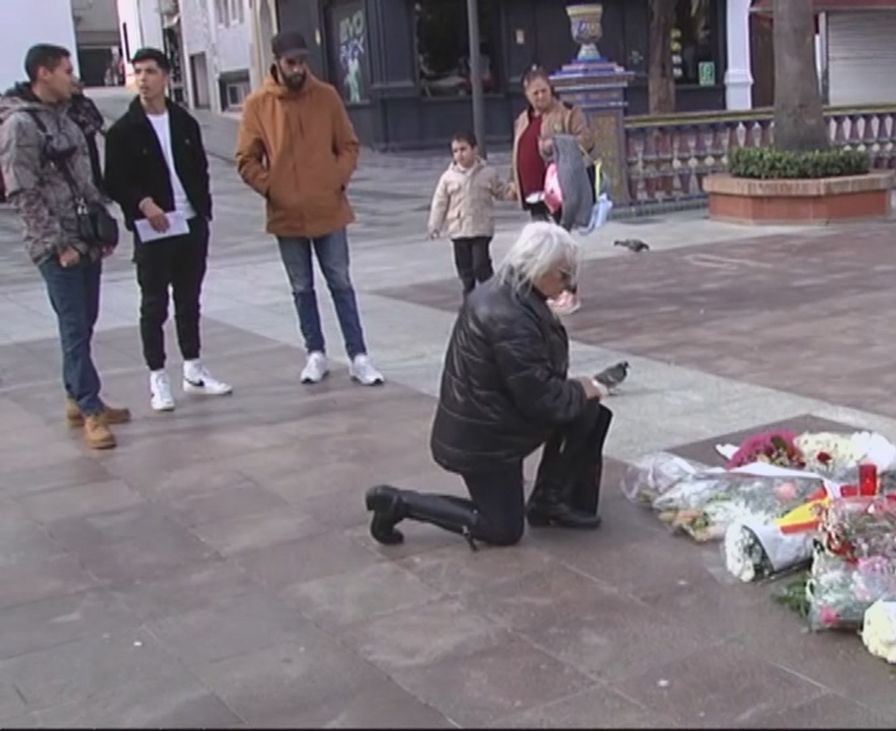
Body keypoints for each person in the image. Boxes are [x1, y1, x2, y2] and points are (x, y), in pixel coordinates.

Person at [365, 223, 614, 549]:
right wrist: (581, 389)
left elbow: (535, 383)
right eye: (564, 274)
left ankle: (549, 501)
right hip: (482, 440)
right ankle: (399, 503)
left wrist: (580, 393)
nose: (570, 283)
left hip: (498, 419)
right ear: (538, 268)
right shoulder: (508, 315)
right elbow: (540, 399)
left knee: (587, 411)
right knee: (502, 529)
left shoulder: (516, 291)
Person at [234, 31, 385, 385]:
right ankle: (314, 352)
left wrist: (336, 178)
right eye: (291, 62)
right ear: (277, 62)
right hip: (286, 213)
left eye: (303, 61)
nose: (299, 68)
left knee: (340, 281)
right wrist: (272, 188)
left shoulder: (327, 96)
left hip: (328, 207)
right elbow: (245, 159)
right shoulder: (258, 104)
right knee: (301, 286)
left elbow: (348, 144)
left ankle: (358, 354)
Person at [0, 44, 130, 449]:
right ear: (43, 73)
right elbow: (23, 192)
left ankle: (78, 396)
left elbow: (85, 177)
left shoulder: (68, 116)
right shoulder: (21, 125)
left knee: (85, 320)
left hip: (84, 236)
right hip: (56, 245)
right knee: (74, 325)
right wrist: (57, 245)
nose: (73, 77)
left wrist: (100, 230)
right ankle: (90, 409)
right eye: (66, 70)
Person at [104, 48, 232, 412]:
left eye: (150, 71)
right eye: (137, 72)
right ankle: (157, 376)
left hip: (190, 222)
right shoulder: (124, 130)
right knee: (154, 303)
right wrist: (143, 203)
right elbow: (114, 180)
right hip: (154, 227)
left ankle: (193, 368)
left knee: (189, 299)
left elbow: (200, 168)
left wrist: (202, 210)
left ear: (166, 76)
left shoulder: (184, 122)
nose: (143, 79)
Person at [509, 66, 593, 315]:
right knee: (540, 247)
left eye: (543, 91)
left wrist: (556, 144)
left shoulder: (567, 113)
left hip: (558, 190)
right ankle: (546, 292)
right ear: (526, 94)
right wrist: (514, 182)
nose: (539, 97)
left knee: (561, 243)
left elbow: (586, 140)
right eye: (534, 93)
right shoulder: (522, 119)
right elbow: (516, 151)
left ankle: (569, 291)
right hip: (532, 191)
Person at [427, 131, 512, 299]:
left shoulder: (488, 172)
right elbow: (440, 202)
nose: (460, 154)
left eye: (463, 149)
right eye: (455, 151)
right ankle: (470, 297)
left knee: (481, 264)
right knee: (465, 268)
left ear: (474, 149)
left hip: (481, 227)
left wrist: (513, 191)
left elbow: (500, 191)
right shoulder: (448, 177)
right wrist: (434, 225)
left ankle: (491, 293)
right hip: (458, 229)